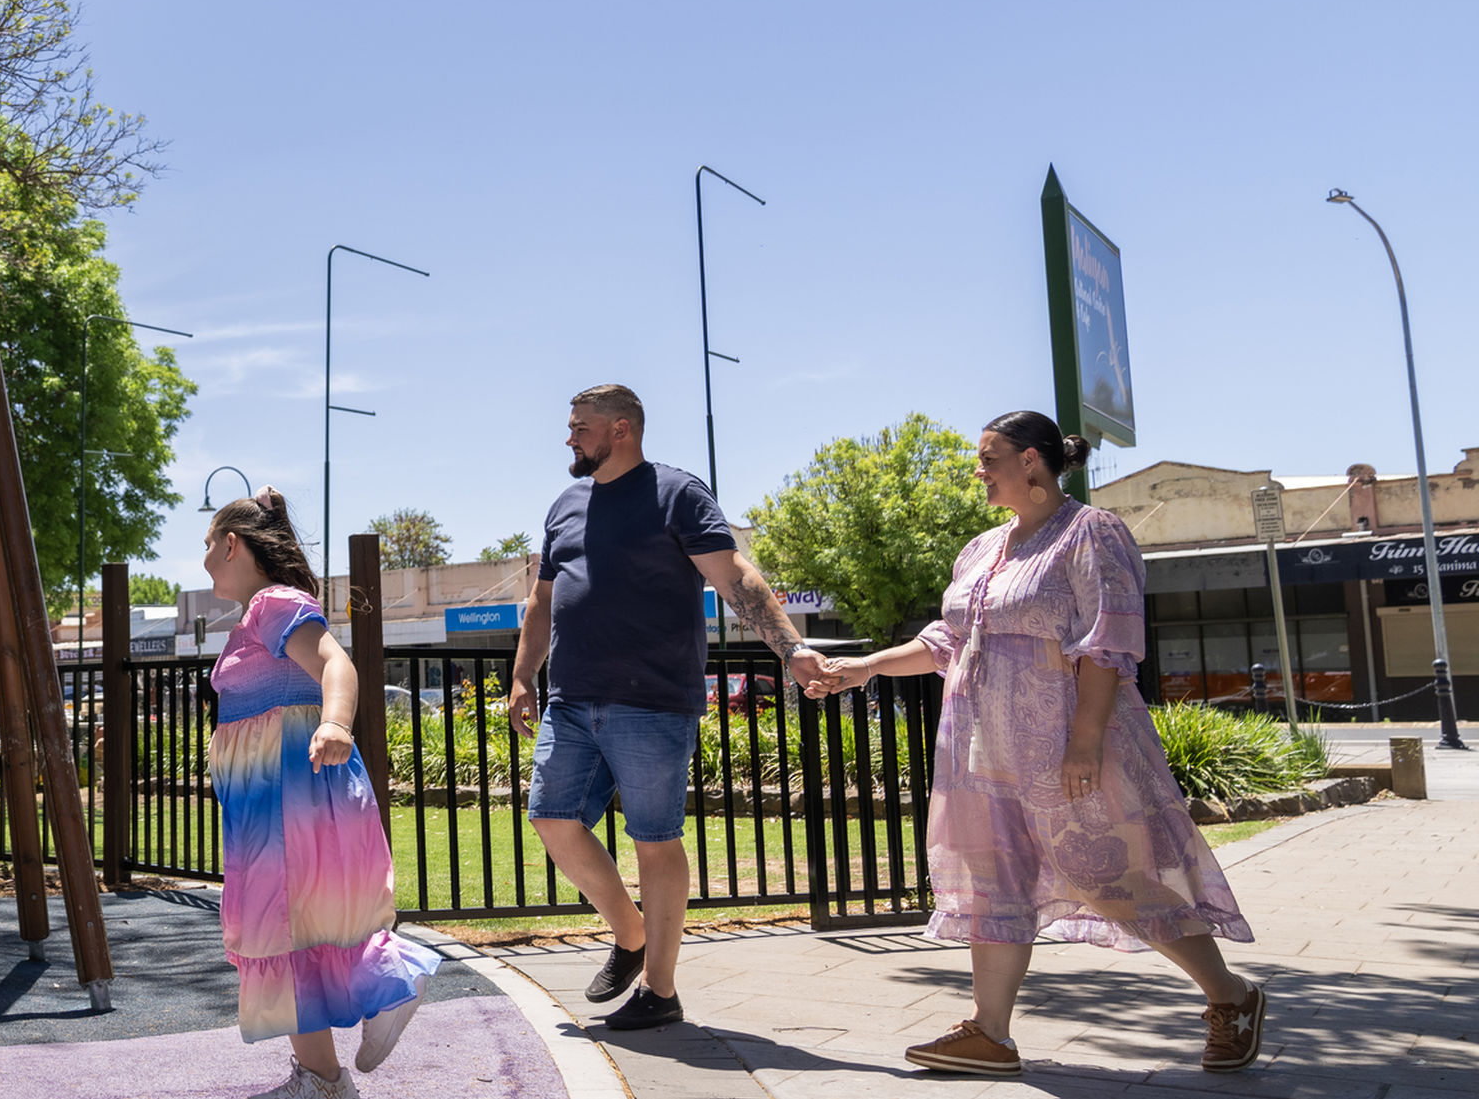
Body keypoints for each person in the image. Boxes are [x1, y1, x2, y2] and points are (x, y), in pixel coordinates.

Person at [809, 411, 1262, 1076]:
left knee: (1110, 875)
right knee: (995, 880)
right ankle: (990, 1032)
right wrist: (867, 665)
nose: (978, 470)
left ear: (1030, 461)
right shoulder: (981, 550)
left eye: (988, 457)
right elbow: (949, 639)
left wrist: (1084, 743)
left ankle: (1231, 994)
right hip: (981, 750)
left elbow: (1108, 644)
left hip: (1065, 742)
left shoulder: (1091, 534)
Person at [508, 385, 828, 1032]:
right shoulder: (565, 504)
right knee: (551, 817)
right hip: (572, 698)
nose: (570, 436)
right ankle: (631, 934)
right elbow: (542, 601)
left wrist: (790, 648)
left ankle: (660, 987)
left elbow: (733, 572)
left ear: (620, 428)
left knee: (655, 838)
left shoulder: (676, 492)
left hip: (651, 700)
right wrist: (522, 676)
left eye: (581, 426)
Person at [202, 488, 439, 1099]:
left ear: (233, 544)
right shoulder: (261, 610)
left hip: (289, 794)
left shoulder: (272, 602)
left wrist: (335, 722)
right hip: (270, 799)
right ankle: (324, 1078)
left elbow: (337, 663)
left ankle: (392, 985)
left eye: (208, 544)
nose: (204, 560)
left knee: (285, 925)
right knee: (287, 934)